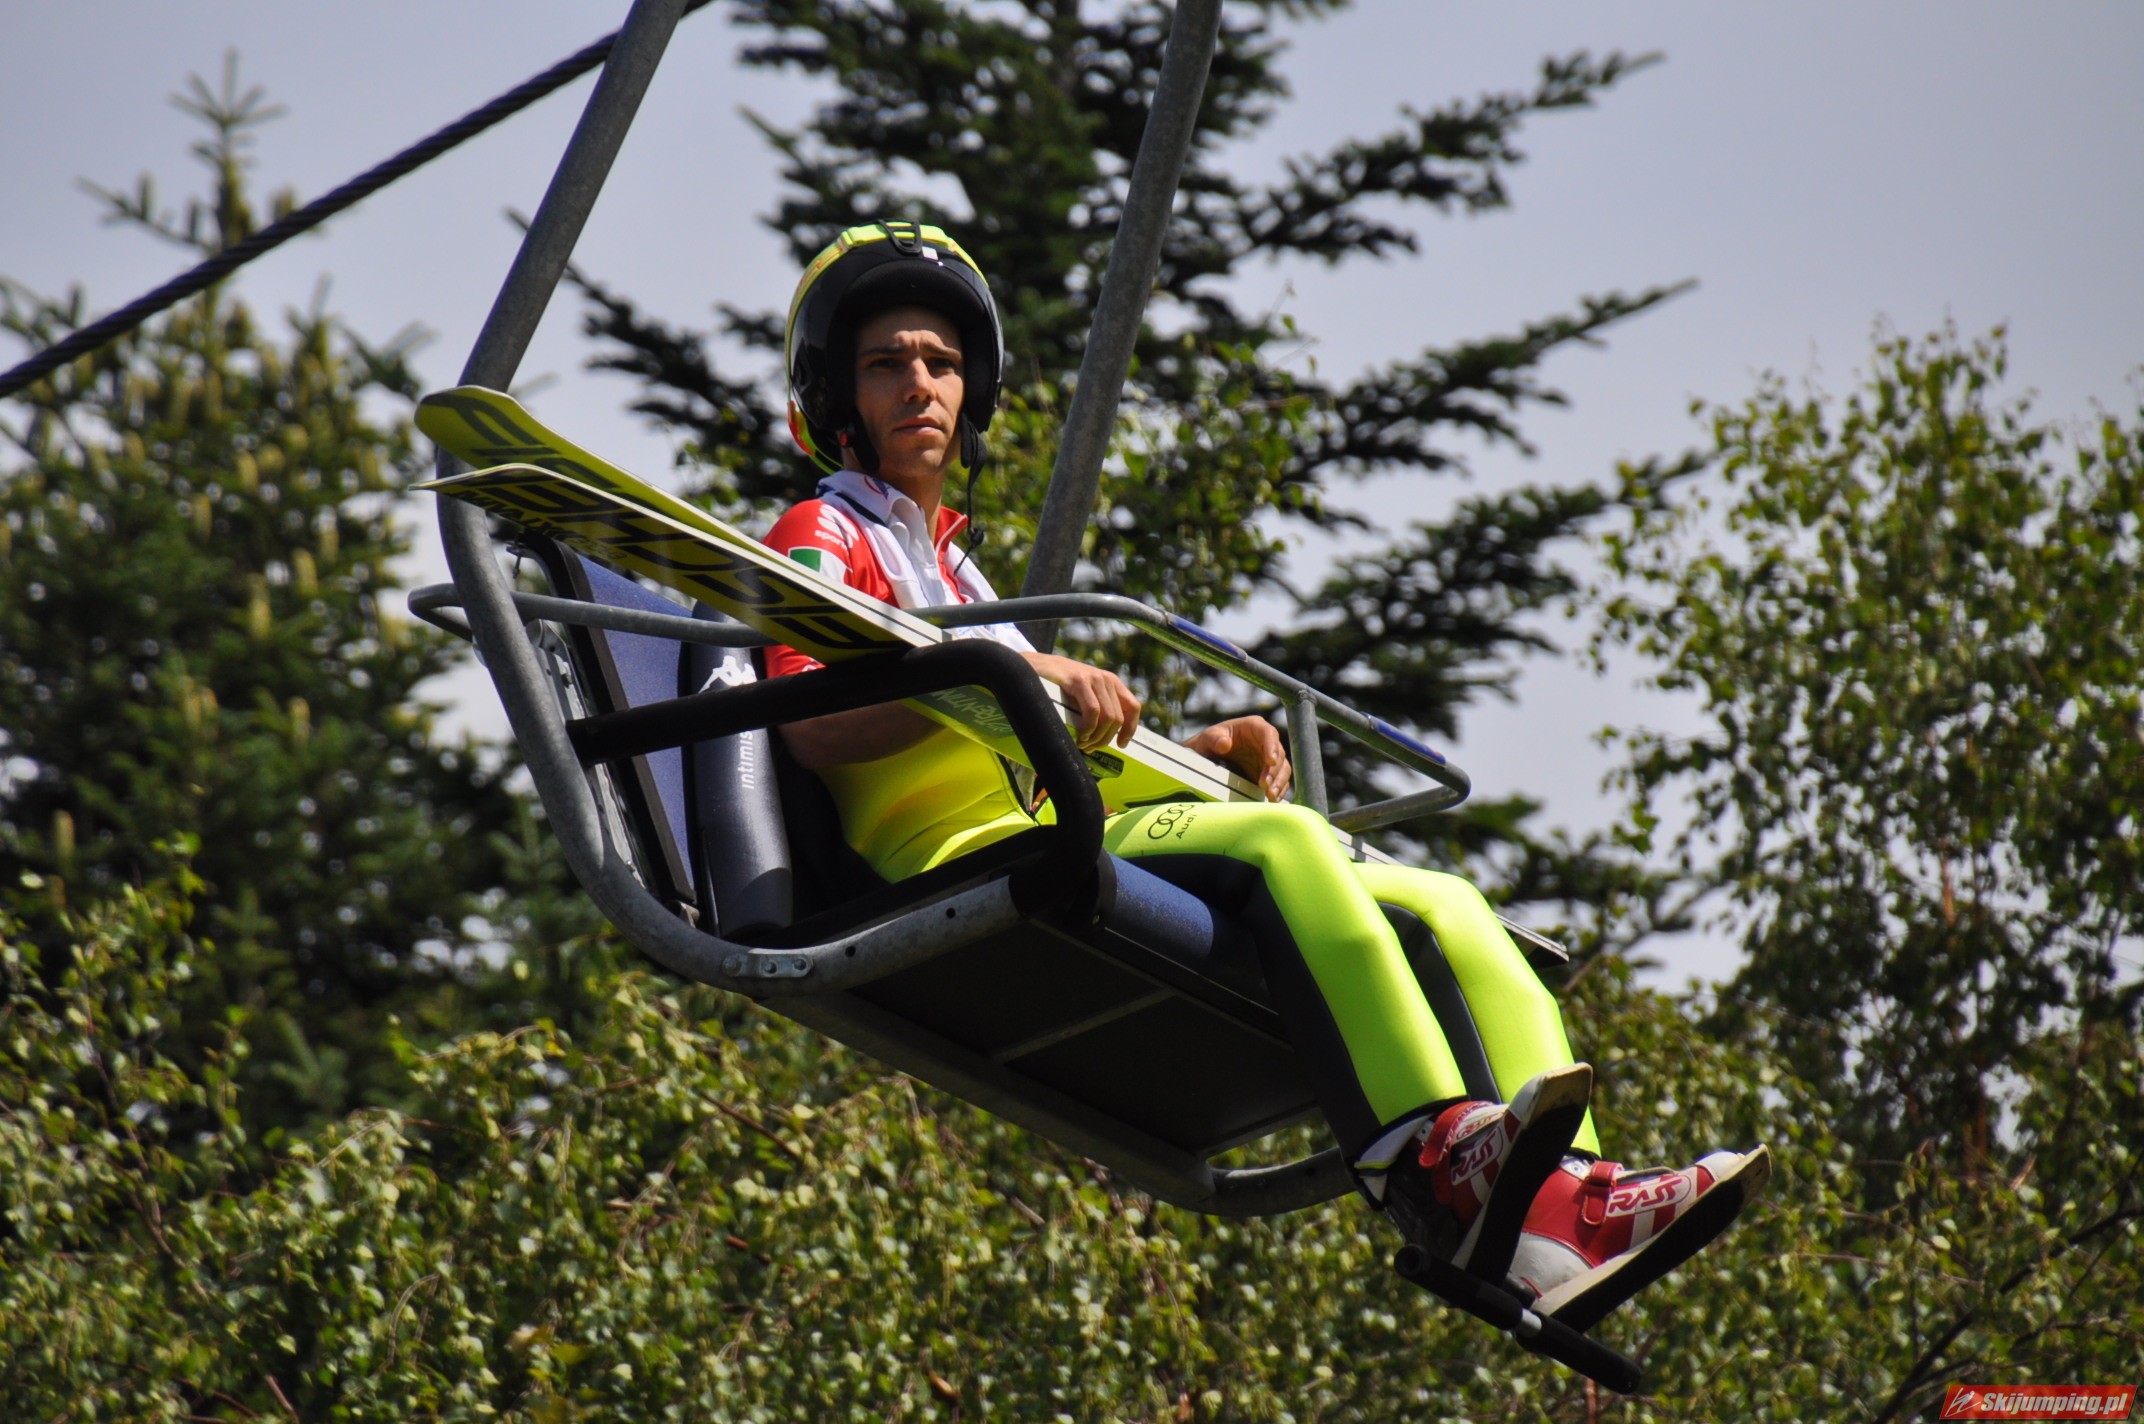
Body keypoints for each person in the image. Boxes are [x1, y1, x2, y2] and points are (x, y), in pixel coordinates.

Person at [759, 220, 1768, 1329]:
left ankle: (1569, 1206)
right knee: (1284, 844)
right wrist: (1009, 665)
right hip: (953, 856)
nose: (920, 385)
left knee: (1448, 904)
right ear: (835, 395)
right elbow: (809, 717)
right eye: (886, 363)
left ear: (975, 392)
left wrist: (1188, 755)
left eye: (943, 363)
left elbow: (1023, 751)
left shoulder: (956, 573)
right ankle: (1432, 1171)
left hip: (1046, 822)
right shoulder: (824, 530)